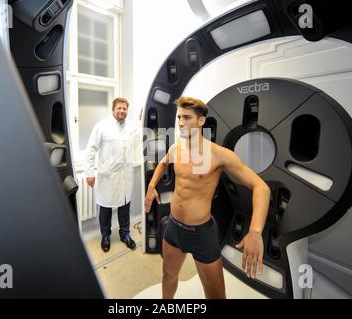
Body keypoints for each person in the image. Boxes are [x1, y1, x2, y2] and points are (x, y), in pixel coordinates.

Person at [144, 96, 271, 299]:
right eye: (179, 118)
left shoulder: (219, 154)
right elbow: (163, 163)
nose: (180, 123)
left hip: (202, 234)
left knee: (216, 296)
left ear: (201, 121)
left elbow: (261, 187)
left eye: (186, 118)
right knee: (168, 275)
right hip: (174, 228)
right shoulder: (176, 148)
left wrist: (255, 232)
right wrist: (151, 186)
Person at [84, 97, 141, 252]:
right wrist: (89, 172)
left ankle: (125, 234)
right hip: (107, 176)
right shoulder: (102, 126)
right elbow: (90, 150)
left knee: (124, 205)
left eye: (125, 109)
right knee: (106, 207)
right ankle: (106, 235)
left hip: (125, 176)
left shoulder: (131, 126)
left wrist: (142, 120)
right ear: (113, 109)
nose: (122, 111)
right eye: (119, 108)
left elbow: (140, 135)